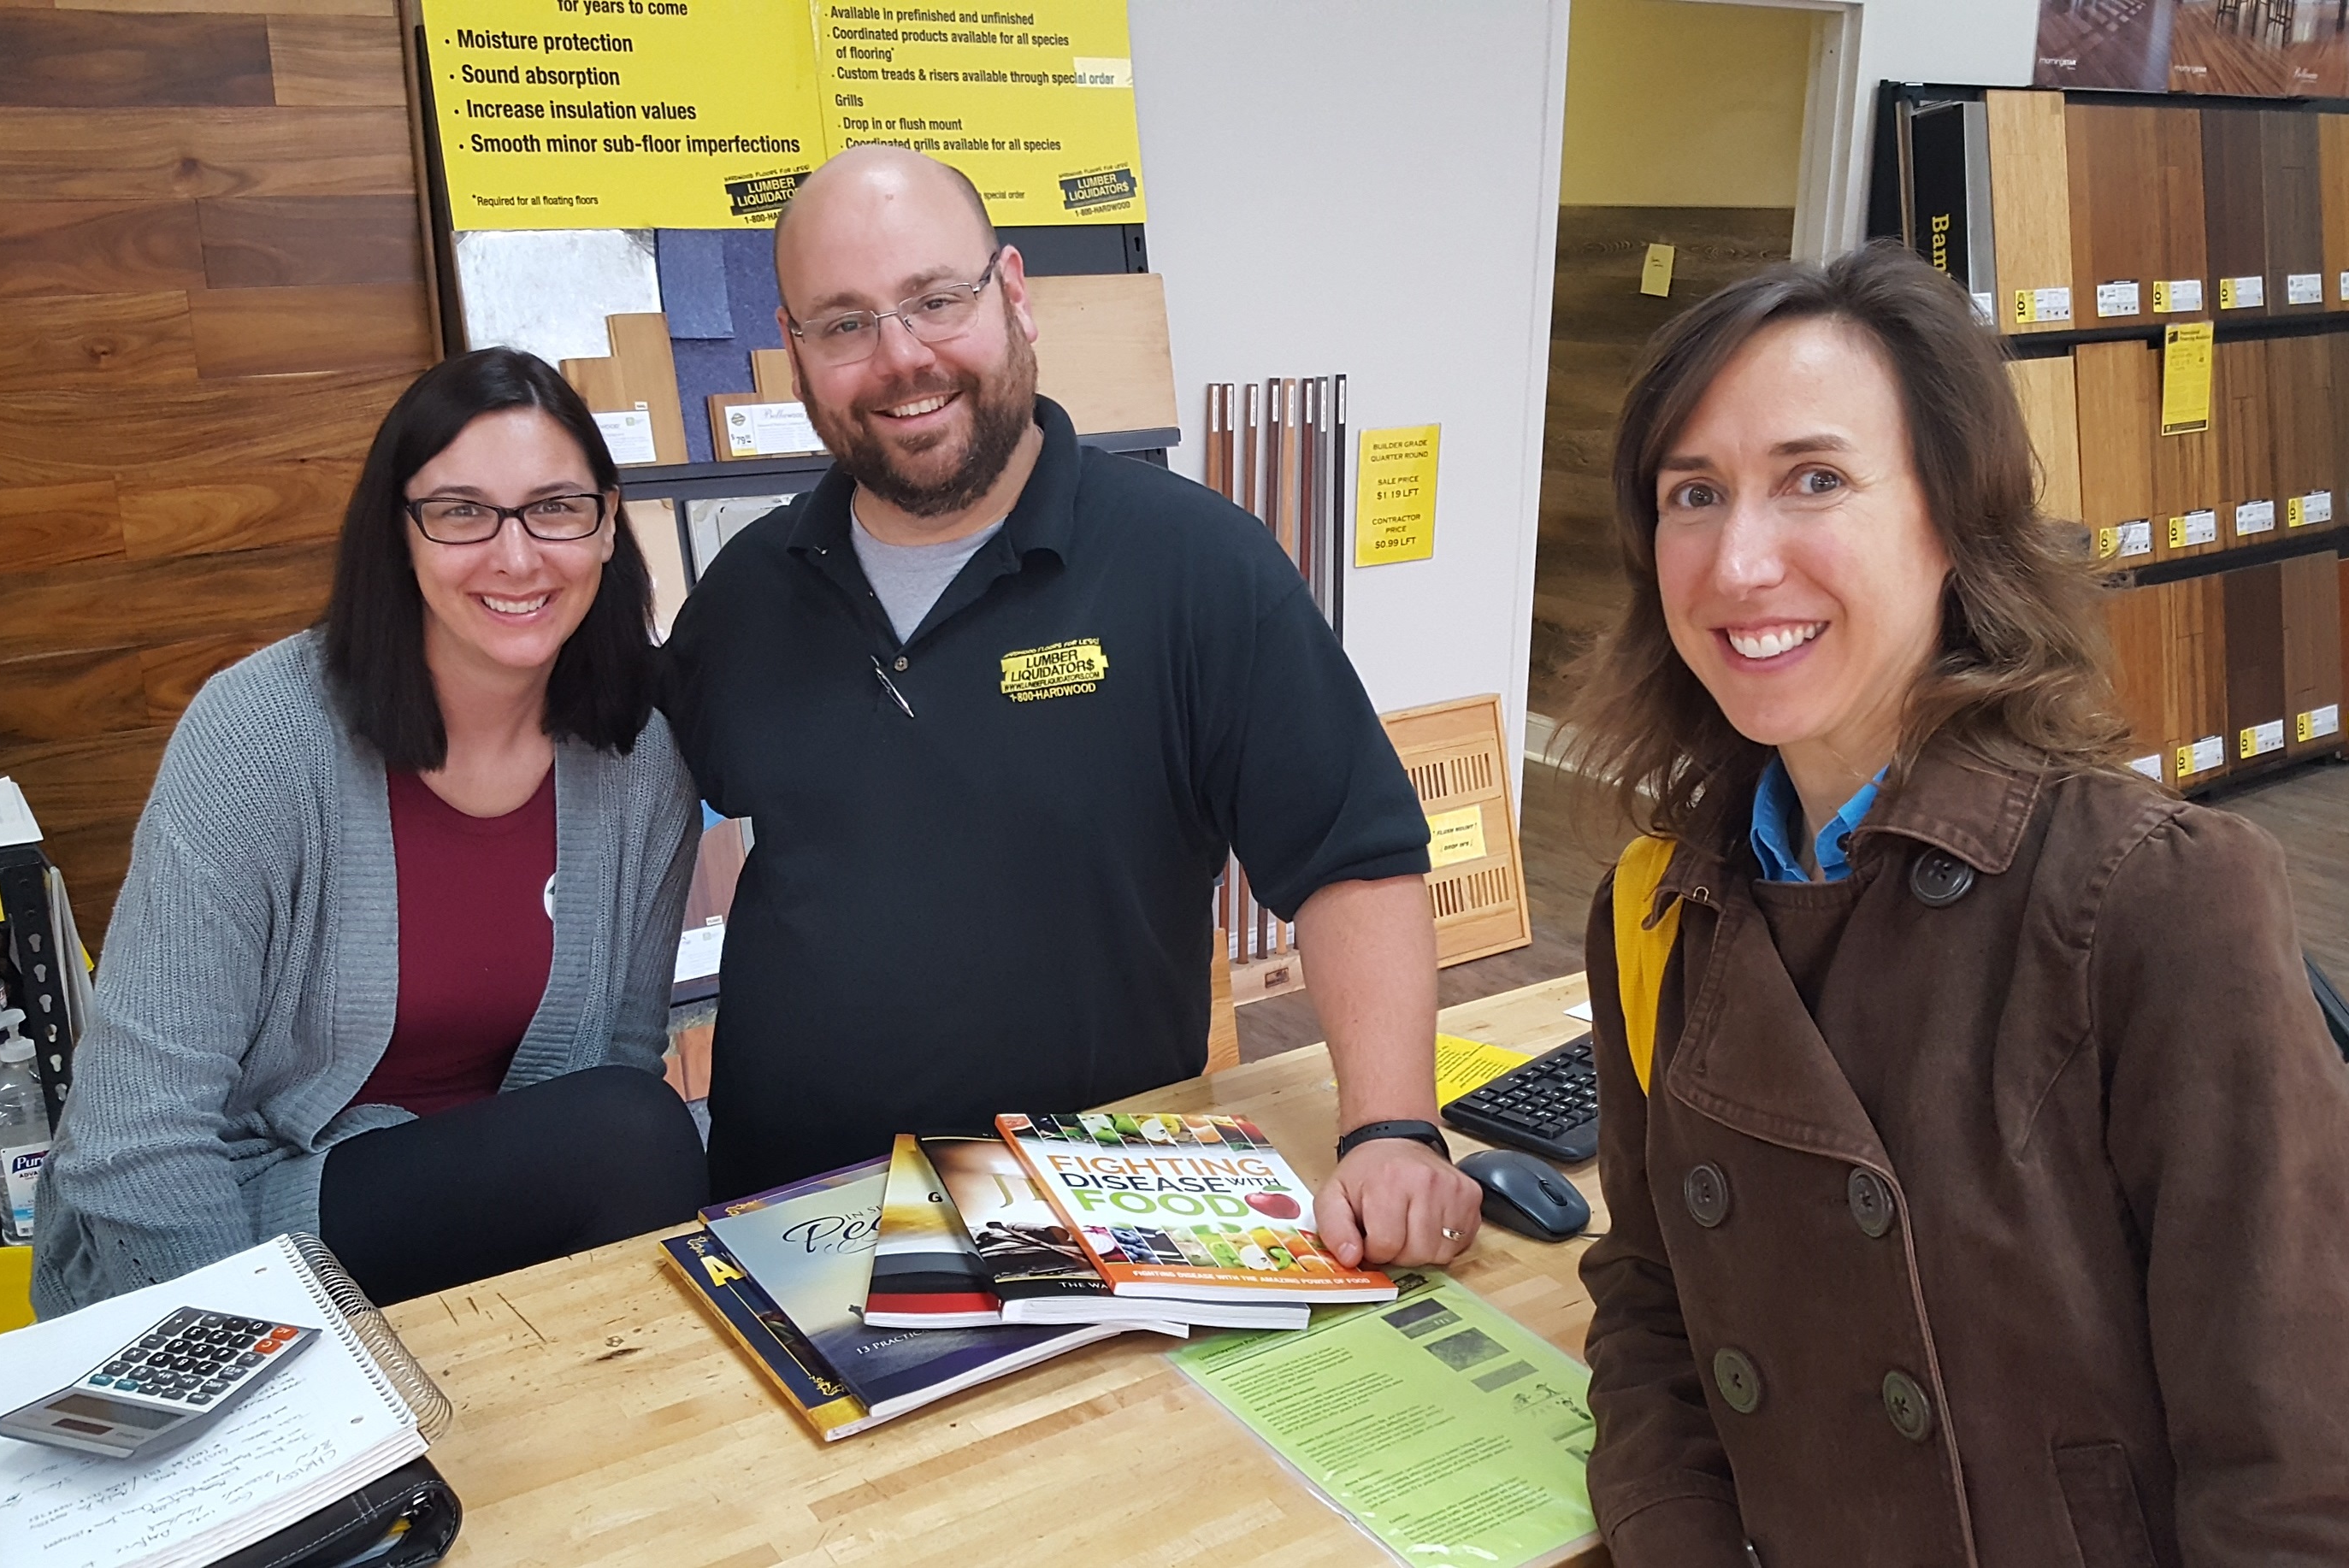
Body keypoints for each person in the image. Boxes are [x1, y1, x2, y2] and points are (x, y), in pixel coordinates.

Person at [1565, 244, 2349, 1565]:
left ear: (1953, 523)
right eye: (1692, 493)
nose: (1739, 561)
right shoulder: (1654, 911)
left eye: (1814, 480)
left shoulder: (2153, 901)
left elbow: (2294, 1465)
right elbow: (1650, 1309)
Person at [660, 145, 1482, 1268]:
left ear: (1013, 292)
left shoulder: (1195, 568)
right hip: (796, 1214)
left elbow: (1357, 856)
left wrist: (1389, 1127)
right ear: (794, 349)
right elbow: (615, 813)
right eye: (844, 323)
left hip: (1096, 1205)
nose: (902, 358)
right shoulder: (748, 593)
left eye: (935, 300)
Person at [34, 349, 708, 1315]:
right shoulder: (260, 735)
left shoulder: (641, 756)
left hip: (486, 1218)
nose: (516, 556)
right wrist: (249, 1372)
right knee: (630, 1134)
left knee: (633, 1125)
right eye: (462, 512)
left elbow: (616, 1056)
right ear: (397, 534)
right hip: (238, 1231)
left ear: (607, 527)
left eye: (556, 507)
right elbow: (135, 1132)